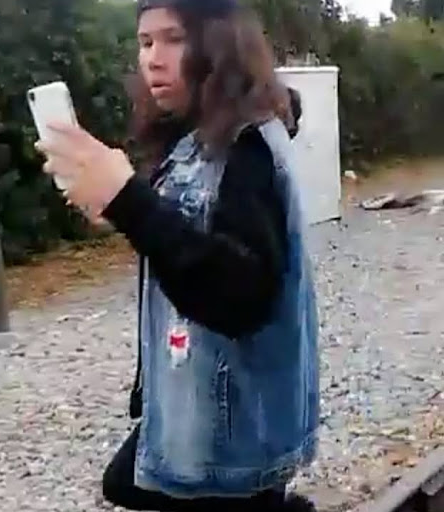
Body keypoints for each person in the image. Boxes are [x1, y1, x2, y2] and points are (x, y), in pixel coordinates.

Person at [35, 0, 319, 510]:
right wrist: (118, 209)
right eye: (145, 42)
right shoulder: (192, 136)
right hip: (202, 401)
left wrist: (130, 200)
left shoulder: (246, 146)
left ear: (218, 44)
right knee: (126, 482)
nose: (154, 58)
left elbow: (241, 296)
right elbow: (189, 232)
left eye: (173, 39)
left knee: (133, 485)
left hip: (234, 426)